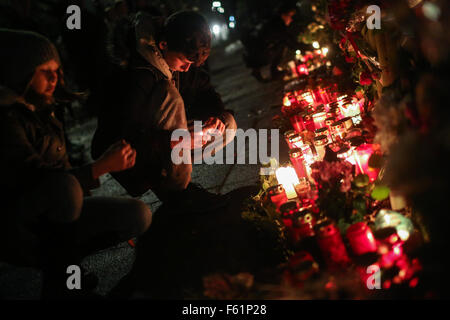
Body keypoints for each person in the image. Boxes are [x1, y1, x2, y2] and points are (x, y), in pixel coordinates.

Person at [0, 29, 152, 298]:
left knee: (138, 214)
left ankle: (69, 272)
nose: (55, 78)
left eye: (57, 70)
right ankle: (62, 284)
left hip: (51, 220)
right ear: (20, 73)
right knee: (66, 188)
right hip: (18, 229)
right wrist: (99, 168)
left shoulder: (42, 109)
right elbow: (36, 179)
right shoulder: (7, 120)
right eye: (45, 70)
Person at [91, 11, 237, 211]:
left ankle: (174, 180)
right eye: (184, 62)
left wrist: (214, 117)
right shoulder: (136, 75)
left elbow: (205, 91)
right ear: (163, 45)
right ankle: (178, 192)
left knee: (227, 124)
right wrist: (176, 140)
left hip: (168, 141)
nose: (186, 69)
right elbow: (123, 137)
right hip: (135, 155)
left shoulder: (180, 57)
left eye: (191, 64)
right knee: (170, 96)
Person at [242, 2, 300, 82]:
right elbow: (287, 39)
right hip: (260, 52)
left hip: (257, 51)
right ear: (283, 15)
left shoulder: (274, 21)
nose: (291, 19)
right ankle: (273, 70)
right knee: (282, 45)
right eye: (290, 16)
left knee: (281, 44)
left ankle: (268, 71)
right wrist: (302, 47)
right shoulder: (277, 24)